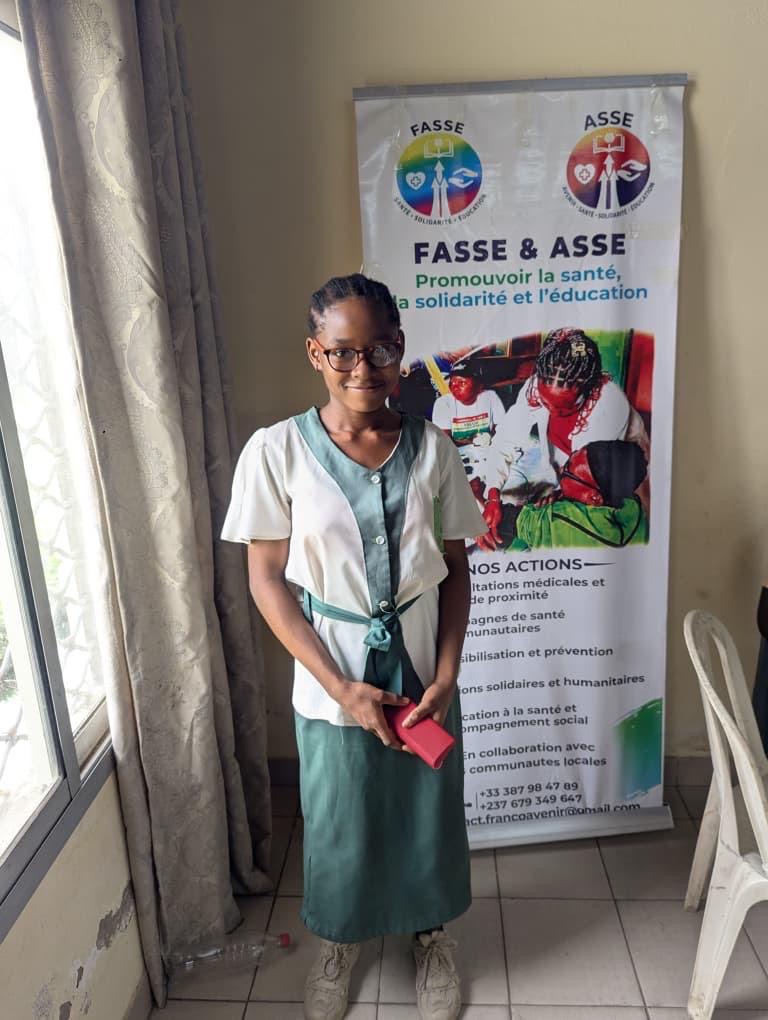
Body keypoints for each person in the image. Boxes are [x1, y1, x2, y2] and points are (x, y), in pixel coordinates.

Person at [221, 273, 486, 1020]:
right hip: (330, 669)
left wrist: (446, 675)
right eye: (342, 352)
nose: (363, 368)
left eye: (380, 350)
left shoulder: (434, 449)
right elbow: (267, 580)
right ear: (316, 354)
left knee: (427, 809)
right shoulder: (277, 452)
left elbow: (457, 570)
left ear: (400, 348)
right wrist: (340, 687)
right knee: (339, 812)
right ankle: (340, 940)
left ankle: (430, 935)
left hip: (422, 663)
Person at [478, 327, 650, 548]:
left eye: (565, 408)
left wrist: (560, 496)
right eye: (546, 403)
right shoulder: (536, 388)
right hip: (572, 477)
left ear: (588, 390)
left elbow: (589, 483)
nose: (552, 412)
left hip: (613, 483)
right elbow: (505, 440)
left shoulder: (609, 408)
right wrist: (492, 496)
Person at [504, 439, 649, 550]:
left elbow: (508, 519)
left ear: (594, 497)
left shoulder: (561, 521)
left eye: (569, 471)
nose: (561, 469)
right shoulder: (632, 506)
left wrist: (539, 510)